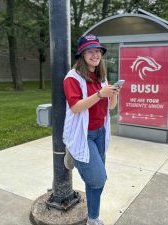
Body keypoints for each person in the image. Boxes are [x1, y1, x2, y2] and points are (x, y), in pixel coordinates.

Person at [62, 34, 121, 225]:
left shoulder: (100, 77)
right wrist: (99, 94)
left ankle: (93, 218)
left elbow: (110, 108)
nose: (95, 54)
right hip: (83, 135)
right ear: (82, 54)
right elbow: (76, 107)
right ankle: (72, 152)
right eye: (90, 51)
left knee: (94, 181)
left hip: (100, 133)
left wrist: (113, 94)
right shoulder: (72, 77)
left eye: (97, 51)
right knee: (98, 179)